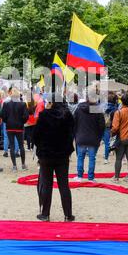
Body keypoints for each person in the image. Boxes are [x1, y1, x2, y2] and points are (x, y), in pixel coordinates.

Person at [33, 93, 75, 222]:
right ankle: (68, 214)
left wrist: (40, 148)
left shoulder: (44, 115)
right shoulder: (68, 116)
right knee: (64, 185)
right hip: (62, 155)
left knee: (46, 184)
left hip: (46, 155)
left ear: (51, 102)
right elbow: (71, 135)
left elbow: (36, 136)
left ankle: (45, 214)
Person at [74, 86, 105, 183]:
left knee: (80, 157)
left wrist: (76, 133)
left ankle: (79, 176)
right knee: (92, 158)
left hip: (81, 136)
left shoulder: (79, 108)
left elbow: (74, 122)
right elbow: (102, 125)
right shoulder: (98, 110)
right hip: (93, 137)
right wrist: (100, 136)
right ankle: (90, 177)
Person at [2, 88, 29, 171]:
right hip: (19, 127)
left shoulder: (6, 104)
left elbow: (3, 116)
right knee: (21, 146)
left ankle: (14, 166)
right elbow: (26, 116)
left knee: (12, 146)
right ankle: (23, 164)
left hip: (10, 126)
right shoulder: (22, 104)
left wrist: (7, 121)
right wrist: (21, 122)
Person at [102, 92, 119, 164]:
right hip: (114, 126)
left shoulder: (103, 107)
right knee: (115, 141)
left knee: (106, 143)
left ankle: (106, 158)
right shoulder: (116, 109)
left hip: (105, 126)